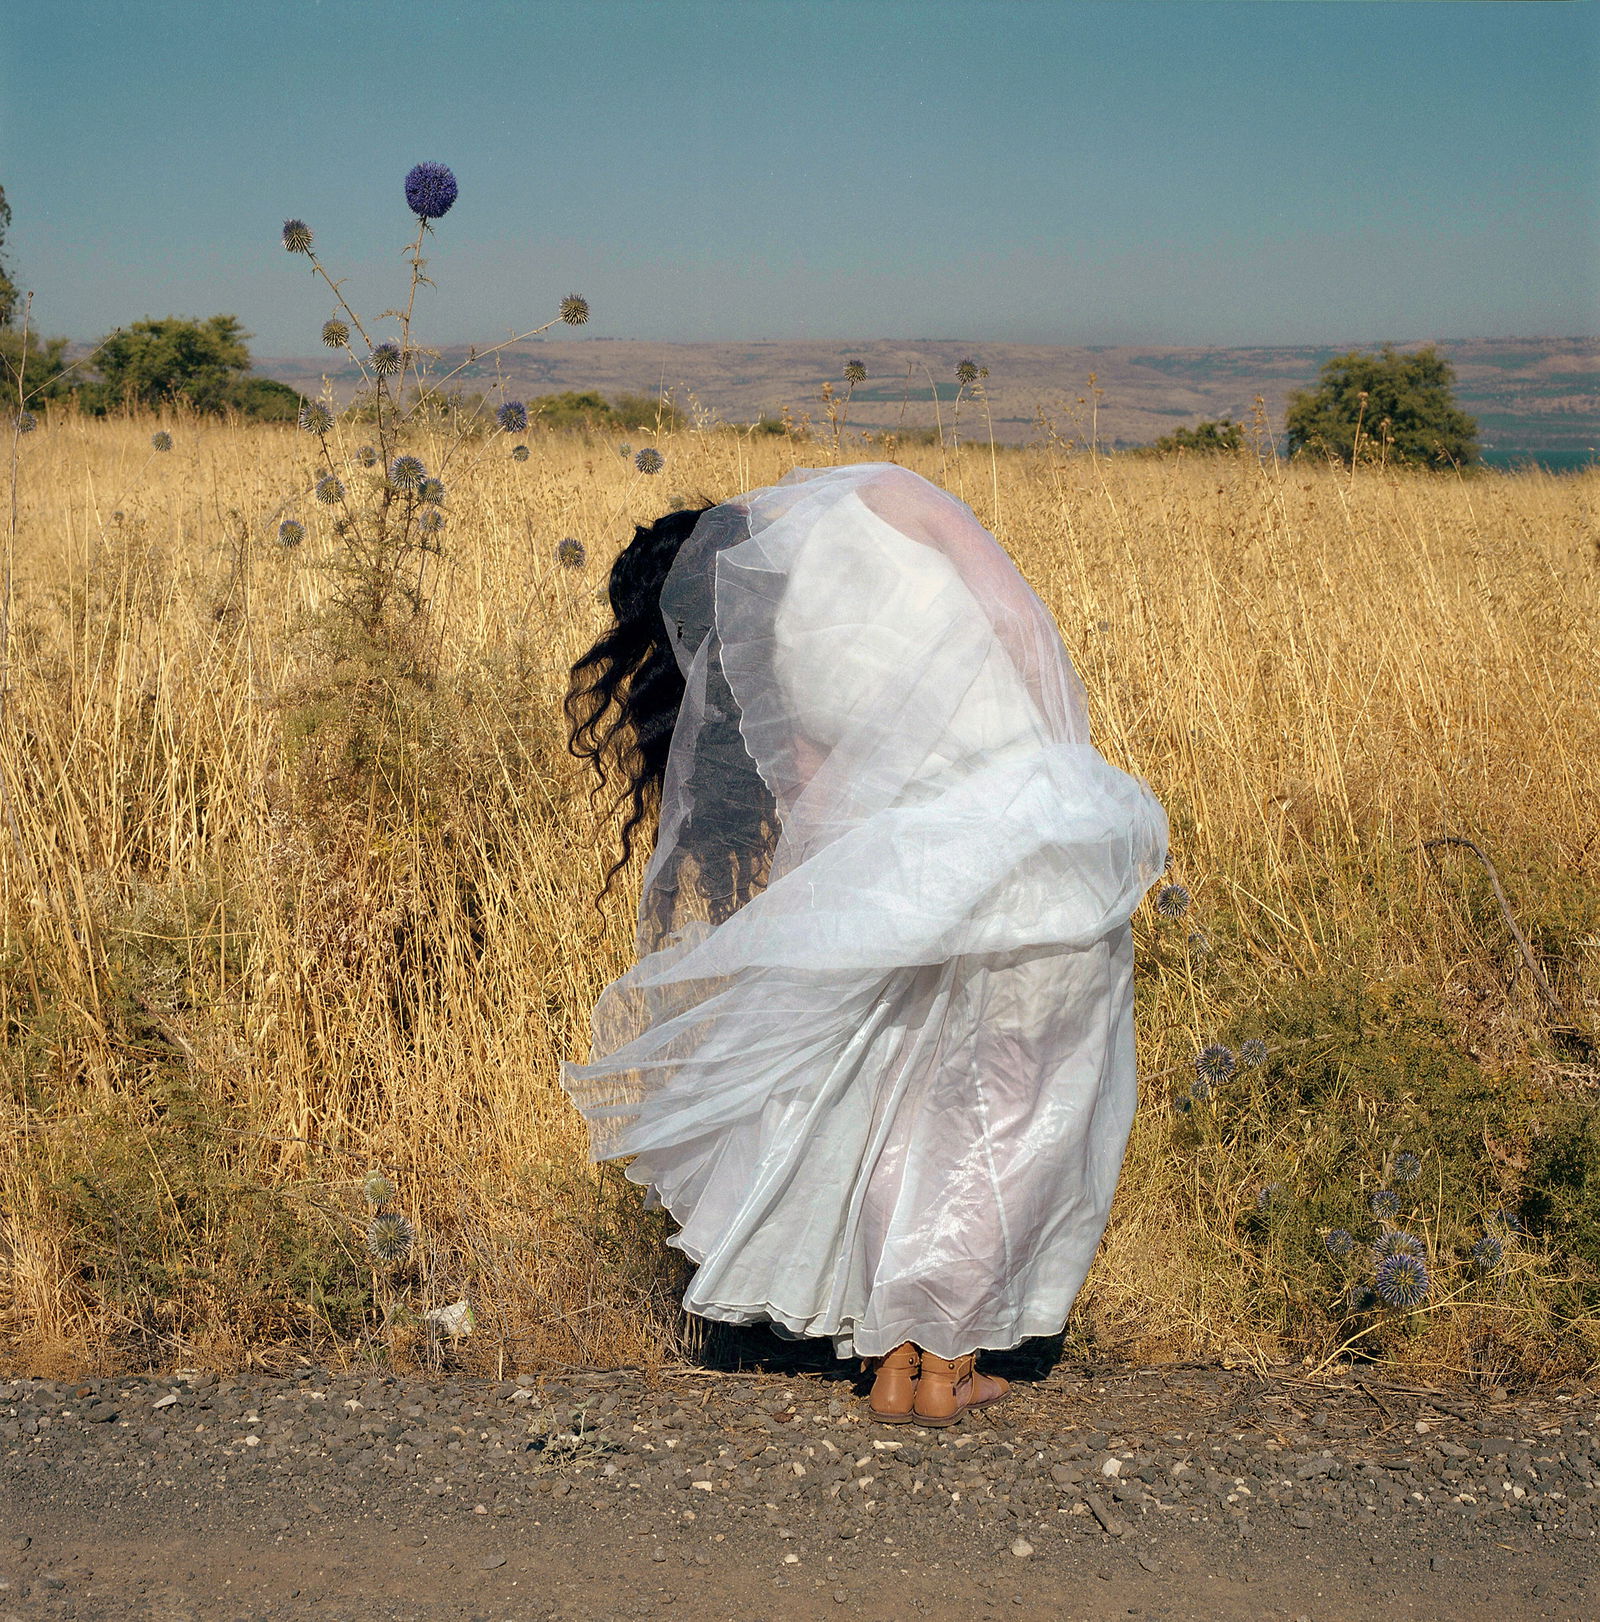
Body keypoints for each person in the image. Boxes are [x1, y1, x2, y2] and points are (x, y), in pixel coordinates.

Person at [561, 462, 1168, 1425]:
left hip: (905, 879)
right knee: (1015, 1111)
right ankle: (951, 1366)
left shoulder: (768, 647)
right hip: (1033, 844)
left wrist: (842, 918)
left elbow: (816, 800)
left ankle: (893, 1365)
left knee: (906, 1114)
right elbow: (1015, 621)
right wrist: (1064, 776)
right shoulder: (886, 497)